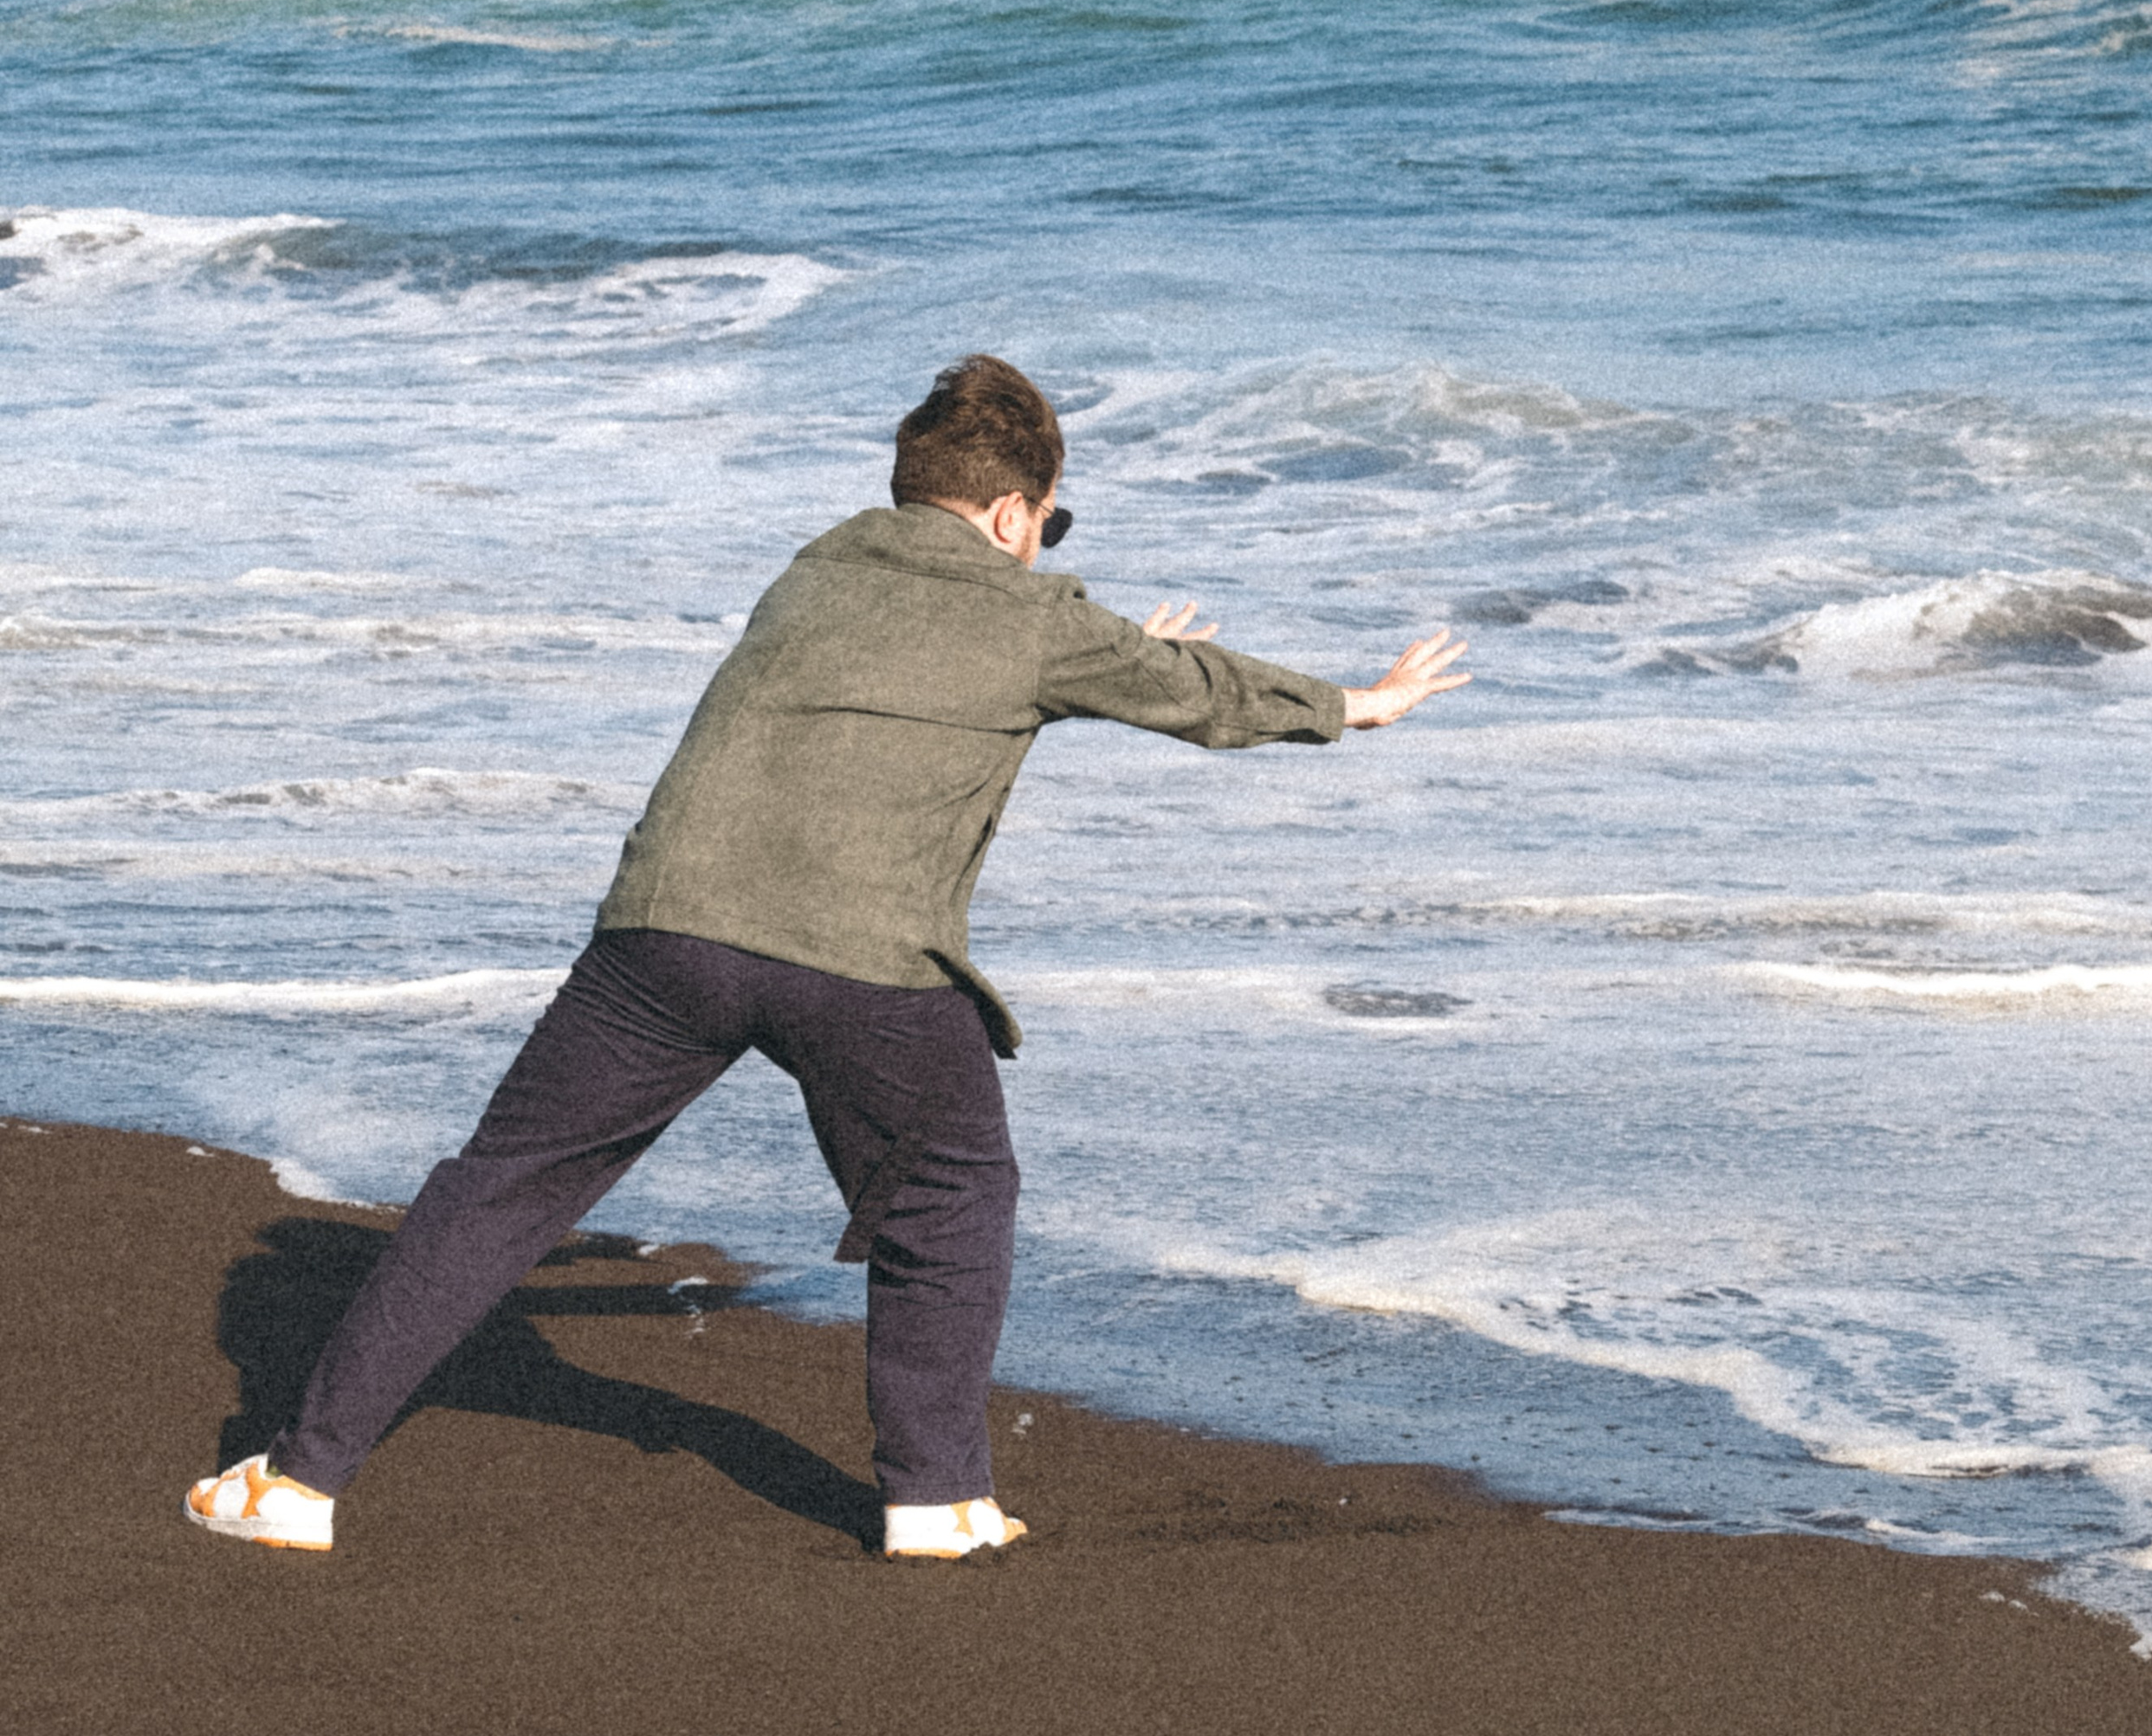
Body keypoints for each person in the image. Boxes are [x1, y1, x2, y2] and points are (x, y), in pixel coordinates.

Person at [185, 355, 1467, 1562]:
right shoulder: (1036, 621)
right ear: (1013, 515)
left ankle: (296, 1482)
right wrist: (1357, 705)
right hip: (861, 967)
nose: (1046, 548)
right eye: (1051, 526)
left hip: (665, 940)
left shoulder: (813, 571)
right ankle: (938, 1499)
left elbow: (949, 674)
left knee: (498, 1193)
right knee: (949, 1198)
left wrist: (1103, 644)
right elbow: (1177, 690)